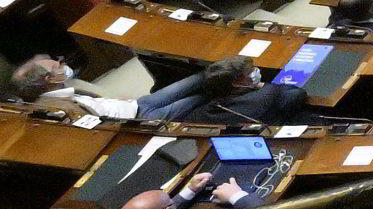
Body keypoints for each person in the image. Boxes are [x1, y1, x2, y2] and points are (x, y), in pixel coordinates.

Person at [136, 56, 308, 126]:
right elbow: (298, 93)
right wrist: (262, 86)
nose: (256, 71)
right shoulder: (265, 96)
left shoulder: (204, 110)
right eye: (251, 70)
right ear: (238, 81)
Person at [10, 54, 136, 119]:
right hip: (137, 117)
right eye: (58, 66)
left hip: (133, 105)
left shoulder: (63, 91)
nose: (63, 65)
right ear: (51, 78)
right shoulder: (59, 109)